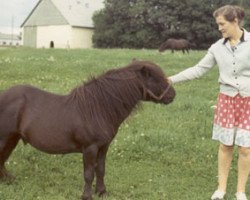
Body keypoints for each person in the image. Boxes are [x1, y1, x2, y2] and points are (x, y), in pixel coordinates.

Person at [168, 5, 250, 200]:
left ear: (235, 21)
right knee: (225, 146)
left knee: (245, 148)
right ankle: (221, 189)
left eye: (222, 24)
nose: (219, 28)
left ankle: (240, 191)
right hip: (226, 101)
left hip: (248, 101)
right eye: (218, 25)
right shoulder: (216, 48)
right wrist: (170, 79)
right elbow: (198, 70)